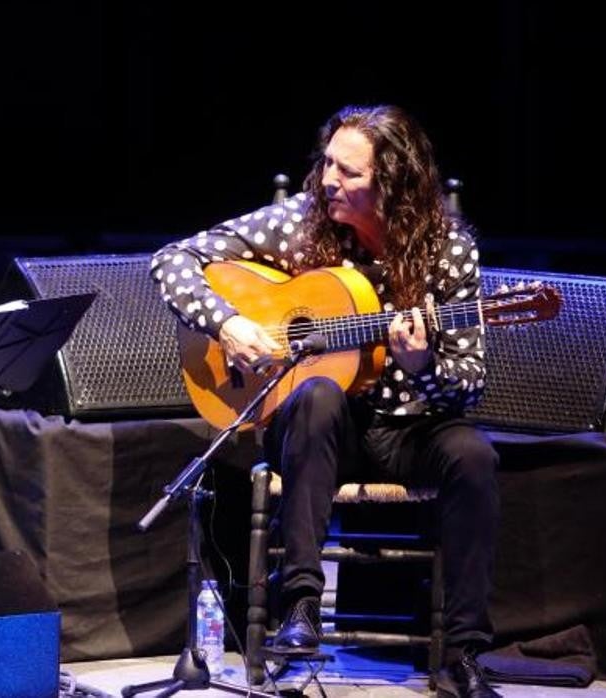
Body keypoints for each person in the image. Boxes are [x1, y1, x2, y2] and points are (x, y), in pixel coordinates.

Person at [151, 105, 501, 698]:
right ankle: (301, 609)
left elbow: (468, 382)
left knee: (474, 456)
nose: (328, 180)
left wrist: (422, 366)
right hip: (319, 433)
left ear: (392, 184)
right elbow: (172, 260)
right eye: (327, 164)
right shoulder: (301, 223)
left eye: (349, 172)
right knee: (317, 395)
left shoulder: (449, 254)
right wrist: (230, 324)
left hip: (408, 431)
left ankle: (464, 653)